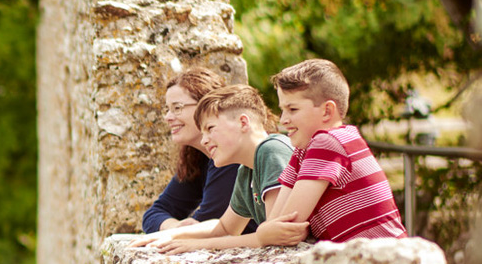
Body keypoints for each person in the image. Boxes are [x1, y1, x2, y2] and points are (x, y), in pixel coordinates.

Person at [131, 85, 306, 252]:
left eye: (210, 128)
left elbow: (273, 237)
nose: (203, 140)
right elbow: (225, 227)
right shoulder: (247, 170)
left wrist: (197, 245)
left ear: (243, 122)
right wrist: (171, 235)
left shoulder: (271, 150)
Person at [265, 59, 407, 243]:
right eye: (282, 110)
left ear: (327, 111)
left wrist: (265, 233)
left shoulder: (328, 142)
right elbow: (276, 225)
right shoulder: (304, 150)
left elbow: (284, 228)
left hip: (384, 262)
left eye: (292, 109)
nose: (283, 120)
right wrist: (268, 232)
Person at [140, 67, 242, 234]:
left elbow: (206, 227)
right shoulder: (197, 158)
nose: (168, 117)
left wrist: (183, 230)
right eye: (167, 109)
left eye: (177, 108)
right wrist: (175, 227)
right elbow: (153, 214)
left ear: (207, 107)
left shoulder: (233, 156)